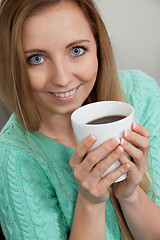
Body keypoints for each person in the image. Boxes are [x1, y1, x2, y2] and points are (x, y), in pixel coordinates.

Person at [0, 0, 160, 239]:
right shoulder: (12, 157)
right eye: (36, 58)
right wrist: (90, 203)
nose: (62, 79)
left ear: (98, 45)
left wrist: (130, 195)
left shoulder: (141, 94)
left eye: (76, 50)